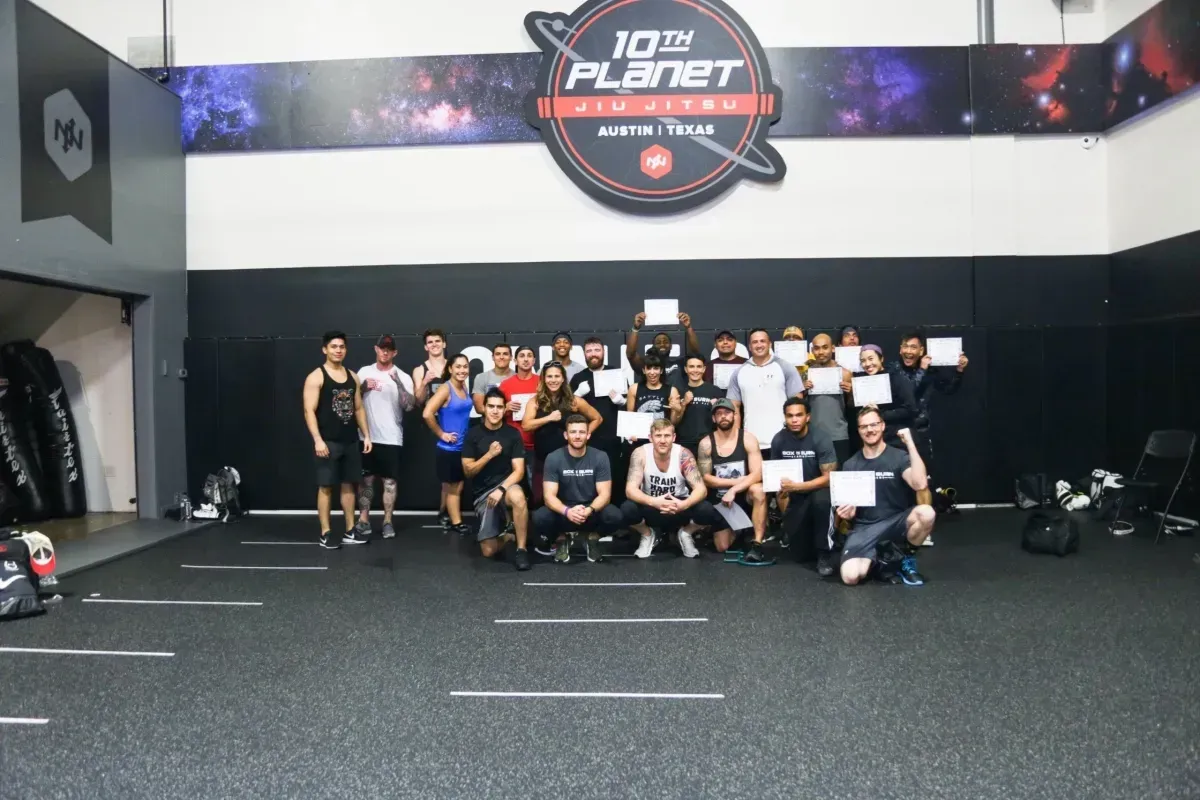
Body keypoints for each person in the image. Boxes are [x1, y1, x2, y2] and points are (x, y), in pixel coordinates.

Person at [837, 407, 935, 587]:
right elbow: (847, 513)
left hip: (895, 522)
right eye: (864, 426)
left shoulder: (898, 457)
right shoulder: (851, 464)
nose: (869, 430)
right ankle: (883, 559)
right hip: (865, 528)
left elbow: (920, 484)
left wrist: (910, 444)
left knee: (926, 513)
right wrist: (847, 515)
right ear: (859, 430)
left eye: (874, 424)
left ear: (882, 426)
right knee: (850, 577)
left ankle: (906, 558)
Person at [302, 331, 372, 549]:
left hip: (350, 440)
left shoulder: (353, 376)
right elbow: (308, 411)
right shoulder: (316, 377)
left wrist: (366, 435)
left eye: (341, 346)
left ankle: (350, 530)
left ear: (346, 349)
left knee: (349, 485)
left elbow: (358, 408)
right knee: (326, 487)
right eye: (333, 346)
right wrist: (318, 440)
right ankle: (326, 532)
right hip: (328, 441)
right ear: (325, 349)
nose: (338, 350)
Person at [622, 419, 723, 559]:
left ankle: (686, 533)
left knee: (706, 509)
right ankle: (647, 534)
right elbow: (630, 490)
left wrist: (684, 505)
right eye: (658, 436)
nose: (662, 440)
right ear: (650, 438)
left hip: (678, 506)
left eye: (667, 436)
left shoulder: (683, 454)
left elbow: (701, 489)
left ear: (674, 437)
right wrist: (653, 502)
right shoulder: (640, 453)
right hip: (652, 505)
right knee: (627, 509)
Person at [533, 414, 624, 563]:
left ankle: (592, 539)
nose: (577, 436)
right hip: (564, 510)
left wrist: (589, 510)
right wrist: (567, 511)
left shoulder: (600, 457)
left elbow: (605, 494)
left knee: (615, 516)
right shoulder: (553, 458)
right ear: (565, 435)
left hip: (590, 510)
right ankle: (562, 539)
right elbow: (549, 497)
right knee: (540, 518)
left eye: (581, 432)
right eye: (573, 432)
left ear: (588, 435)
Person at [351, 335, 415, 541]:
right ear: (376, 349)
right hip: (367, 436)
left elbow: (409, 405)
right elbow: (351, 400)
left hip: (391, 437)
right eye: (382, 348)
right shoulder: (364, 372)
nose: (385, 352)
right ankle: (364, 520)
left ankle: (387, 521)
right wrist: (362, 387)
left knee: (389, 483)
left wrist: (397, 384)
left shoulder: (402, 376)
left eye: (389, 349)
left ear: (395, 352)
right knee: (366, 481)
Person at [461, 389, 531, 571]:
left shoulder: (513, 434)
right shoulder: (473, 434)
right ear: (483, 408)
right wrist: (489, 455)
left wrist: (501, 489)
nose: (495, 411)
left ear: (504, 410)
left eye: (499, 407)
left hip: (505, 487)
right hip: (482, 495)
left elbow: (519, 471)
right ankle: (509, 535)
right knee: (488, 551)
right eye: (491, 406)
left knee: (517, 495)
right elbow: (468, 472)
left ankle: (521, 550)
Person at [770, 397, 839, 576]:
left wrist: (798, 486)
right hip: (795, 496)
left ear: (807, 417)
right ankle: (797, 535)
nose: (794, 420)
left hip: (818, 491)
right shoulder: (778, 439)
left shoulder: (821, 438)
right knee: (800, 555)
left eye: (799, 415)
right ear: (784, 417)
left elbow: (829, 478)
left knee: (822, 501)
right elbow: (777, 479)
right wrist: (787, 518)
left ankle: (825, 553)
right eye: (790, 416)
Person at [697, 398, 769, 561]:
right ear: (714, 418)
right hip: (721, 500)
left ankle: (757, 544)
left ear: (735, 416)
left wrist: (735, 489)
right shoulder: (706, 444)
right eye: (719, 414)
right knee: (723, 547)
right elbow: (706, 478)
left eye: (727, 413)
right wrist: (733, 484)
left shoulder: (748, 439)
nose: (723, 416)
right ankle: (742, 529)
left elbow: (758, 473)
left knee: (758, 490)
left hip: (745, 497)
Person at [522, 362, 602, 506]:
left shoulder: (574, 401)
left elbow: (597, 418)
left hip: (570, 460)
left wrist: (582, 436)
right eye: (549, 376)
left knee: (570, 498)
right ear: (544, 379)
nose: (553, 380)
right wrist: (549, 418)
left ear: (563, 378)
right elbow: (526, 425)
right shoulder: (535, 401)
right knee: (541, 499)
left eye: (557, 376)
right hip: (543, 459)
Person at [726, 328, 805, 453]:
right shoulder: (739, 372)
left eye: (762, 341)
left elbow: (798, 404)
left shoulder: (785, 367)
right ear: (750, 347)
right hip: (751, 441)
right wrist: (736, 439)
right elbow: (734, 408)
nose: (759, 345)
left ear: (770, 344)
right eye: (755, 342)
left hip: (784, 439)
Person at [569, 337, 628, 504]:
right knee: (588, 480)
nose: (593, 354)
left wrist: (621, 401)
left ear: (603, 352)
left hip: (613, 437)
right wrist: (577, 395)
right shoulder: (578, 378)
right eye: (589, 351)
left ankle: (614, 520)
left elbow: (630, 404)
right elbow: (569, 409)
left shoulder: (616, 373)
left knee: (614, 477)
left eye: (597, 350)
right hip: (588, 438)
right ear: (584, 354)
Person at [421, 353, 473, 537]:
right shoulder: (446, 388)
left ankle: (444, 513)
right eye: (458, 366)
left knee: (452, 485)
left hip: (461, 447)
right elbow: (427, 413)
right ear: (450, 368)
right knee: (455, 487)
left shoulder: (463, 386)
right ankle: (456, 522)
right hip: (449, 449)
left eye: (465, 366)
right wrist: (442, 434)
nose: (462, 370)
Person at [852, 345, 918, 449]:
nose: (867, 364)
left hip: (896, 439)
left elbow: (911, 409)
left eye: (871, 359)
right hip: (872, 440)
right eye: (863, 361)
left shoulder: (896, 378)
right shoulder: (861, 382)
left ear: (881, 359)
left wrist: (881, 414)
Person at [803, 333, 854, 466]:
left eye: (825, 347)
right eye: (817, 348)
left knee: (840, 478)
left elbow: (852, 407)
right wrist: (803, 390)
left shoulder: (845, 373)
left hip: (838, 434)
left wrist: (851, 392)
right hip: (814, 434)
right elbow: (801, 406)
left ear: (833, 348)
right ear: (812, 350)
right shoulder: (807, 374)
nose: (821, 352)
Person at [626, 311, 701, 389]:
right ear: (653, 346)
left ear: (671, 346)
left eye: (666, 342)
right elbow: (631, 354)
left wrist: (688, 327)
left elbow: (695, 352)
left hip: (678, 400)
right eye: (658, 342)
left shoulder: (680, 363)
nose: (662, 344)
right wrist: (635, 328)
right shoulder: (646, 365)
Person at [499, 346, 540, 486]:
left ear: (534, 360)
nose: (526, 359)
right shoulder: (505, 385)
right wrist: (506, 408)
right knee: (515, 484)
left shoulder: (542, 382)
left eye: (529, 356)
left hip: (538, 442)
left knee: (535, 483)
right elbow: (493, 413)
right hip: (514, 442)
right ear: (515, 360)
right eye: (522, 356)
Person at [670, 354, 724, 459]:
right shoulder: (678, 391)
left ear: (704, 369)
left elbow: (722, 420)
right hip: (684, 443)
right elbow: (673, 422)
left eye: (699, 367)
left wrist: (716, 409)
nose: (695, 370)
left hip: (709, 442)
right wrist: (684, 403)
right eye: (691, 366)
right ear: (686, 369)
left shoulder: (714, 390)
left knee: (707, 474)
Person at [626, 352, 679, 442]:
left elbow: (672, 423)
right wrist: (631, 432)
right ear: (644, 370)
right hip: (639, 438)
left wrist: (677, 410)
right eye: (649, 368)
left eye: (656, 368)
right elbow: (630, 415)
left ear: (661, 371)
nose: (652, 372)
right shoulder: (634, 388)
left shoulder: (672, 390)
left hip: (662, 439)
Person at [472, 342, 515, 414]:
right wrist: (504, 409)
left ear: (511, 357)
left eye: (505, 354)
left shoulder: (517, 377)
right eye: (498, 354)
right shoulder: (481, 378)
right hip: (489, 424)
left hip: (512, 423)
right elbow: (479, 408)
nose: (501, 357)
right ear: (493, 357)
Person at [412, 328, 448, 406]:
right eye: (430, 342)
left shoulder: (453, 366)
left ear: (444, 344)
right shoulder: (419, 370)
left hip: (452, 417)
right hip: (431, 417)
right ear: (426, 347)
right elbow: (419, 401)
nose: (434, 344)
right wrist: (424, 382)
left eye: (437, 341)